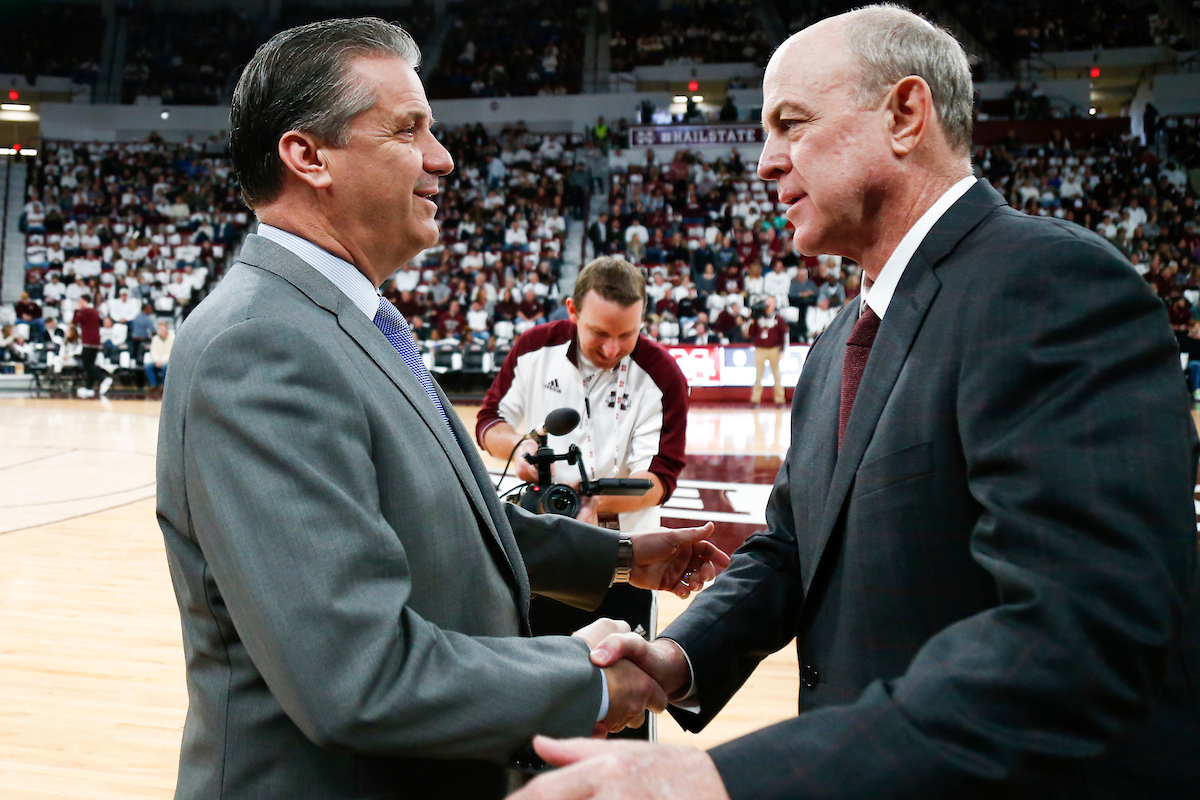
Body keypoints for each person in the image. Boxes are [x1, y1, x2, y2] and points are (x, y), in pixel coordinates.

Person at [514, 6, 1200, 800]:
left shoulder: (1051, 285)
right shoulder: (843, 336)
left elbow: (1082, 638)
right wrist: (678, 658)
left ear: (905, 115)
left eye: (791, 124)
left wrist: (719, 779)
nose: (767, 161)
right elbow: (792, 549)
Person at [156, 19, 728, 800]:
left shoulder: (339, 319)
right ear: (308, 156)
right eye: (409, 129)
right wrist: (586, 681)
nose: (443, 157)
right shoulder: (259, 346)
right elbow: (357, 673)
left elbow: (442, 523)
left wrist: (624, 559)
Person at [476, 257, 691, 737]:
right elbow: (489, 422)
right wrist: (521, 447)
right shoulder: (534, 349)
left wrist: (592, 504)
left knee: (623, 720)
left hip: (625, 565)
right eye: (599, 333)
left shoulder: (663, 377)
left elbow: (659, 479)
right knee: (536, 710)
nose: (613, 348)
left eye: (628, 335)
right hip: (537, 555)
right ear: (572, 310)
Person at [746, 296, 787, 407]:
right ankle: (755, 400)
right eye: (767, 303)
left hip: (774, 349)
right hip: (760, 349)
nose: (768, 306)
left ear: (774, 305)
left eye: (771, 303)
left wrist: (783, 350)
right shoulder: (758, 318)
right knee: (758, 375)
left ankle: (780, 400)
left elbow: (783, 335)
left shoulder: (778, 319)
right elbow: (750, 334)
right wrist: (753, 320)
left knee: (777, 375)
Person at [145, 321, 172, 390]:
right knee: (147, 366)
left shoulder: (172, 338)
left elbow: (171, 352)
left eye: (163, 329)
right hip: (157, 360)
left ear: (166, 329)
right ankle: (153, 384)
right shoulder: (155, 339)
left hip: (167, 360)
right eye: (160, 329)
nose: (161, 331)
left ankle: (164, 385)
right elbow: (153, 351)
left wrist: (162, 360)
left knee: (165, 366)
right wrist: (157, 360)